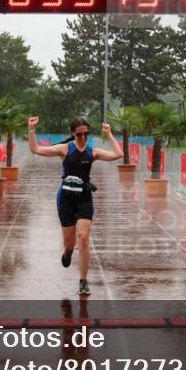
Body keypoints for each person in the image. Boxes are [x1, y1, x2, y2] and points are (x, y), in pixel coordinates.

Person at [28, 116, 123, 296]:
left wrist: (109, 134)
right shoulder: (65, 149)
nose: (83, 137)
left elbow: (118, 154)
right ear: (73, 134)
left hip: (84, 198)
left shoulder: (93, 152)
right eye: (79, 135)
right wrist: (31, 129)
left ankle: (83, 281)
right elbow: (36, 149)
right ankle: (68, 252)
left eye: (86, 134)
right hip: (65, 199)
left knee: (83, 236)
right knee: (70, 243)